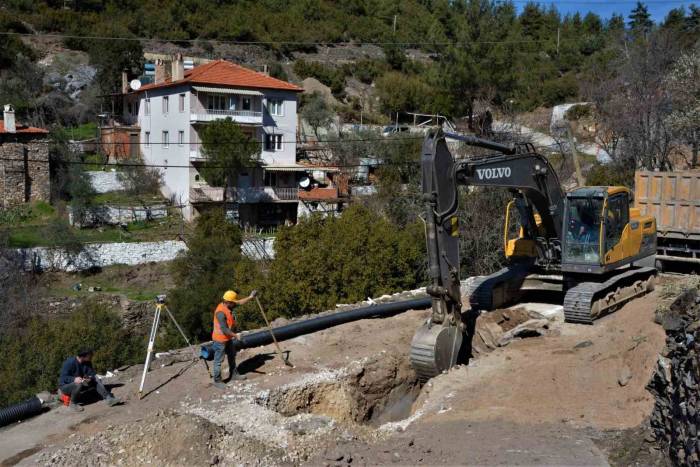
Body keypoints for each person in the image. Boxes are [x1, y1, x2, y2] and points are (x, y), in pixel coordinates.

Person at [212, 289, 256, 389]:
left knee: (232, 355)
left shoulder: (228, 304)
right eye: (233, 303)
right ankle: (217, 380)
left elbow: (239, 302)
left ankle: (234, 375)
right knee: (218, 361)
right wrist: (236, 336)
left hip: (228, 338)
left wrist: (250, 297)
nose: (234, 304)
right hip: (220, 340)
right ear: (228, 302)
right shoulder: (220, 313)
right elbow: (224, 329)